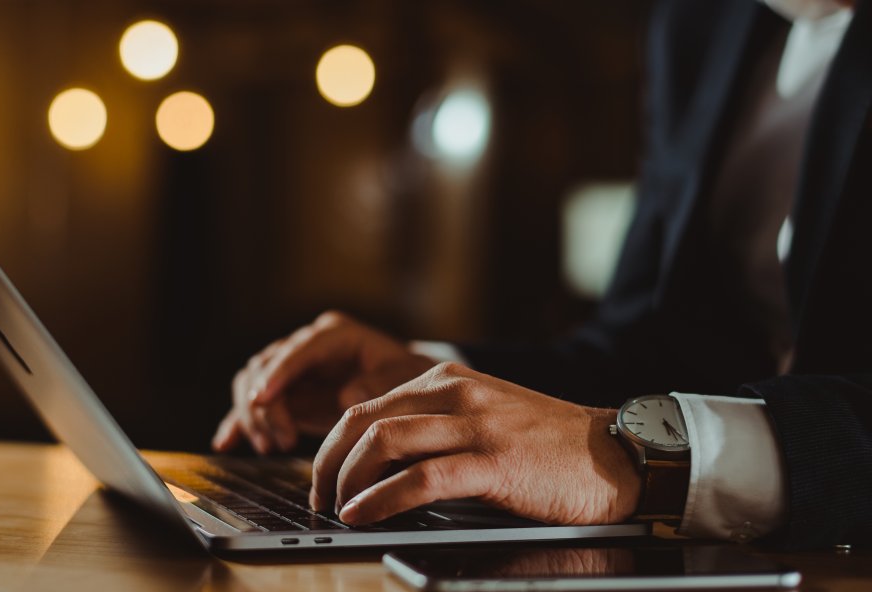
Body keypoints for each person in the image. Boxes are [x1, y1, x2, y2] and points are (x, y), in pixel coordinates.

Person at [213, 0, 872, 550]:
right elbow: (652, 344)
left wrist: (639, 458)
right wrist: (424, 381)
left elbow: (628, 433)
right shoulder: (699, 24)